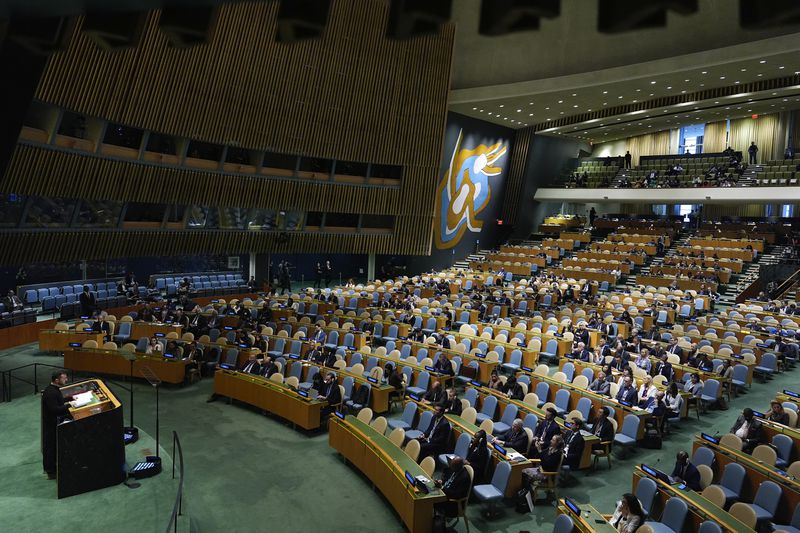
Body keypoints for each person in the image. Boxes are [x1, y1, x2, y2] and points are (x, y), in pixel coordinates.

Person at [42, 370, 75, 479]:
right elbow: (55, 409)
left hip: (54, 423)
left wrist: (69, 398)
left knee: (53, 447)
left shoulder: (54, 389)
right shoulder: (51, 393)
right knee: (51, 448)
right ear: (57, 380)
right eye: (64, 378)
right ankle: (51, 472)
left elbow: (59, 401)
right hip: (52, 425)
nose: (66, 380)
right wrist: (70, 405)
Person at [433, 456, 471, 524]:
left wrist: (442, 488)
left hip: (452, 503)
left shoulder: (464, 478)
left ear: (458, 467)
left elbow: (457, 495)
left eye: (452, 466)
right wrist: (441, 481)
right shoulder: (454, 469)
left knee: (430, 500)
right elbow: (446, 479)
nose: (450, 467)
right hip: (444, 493)